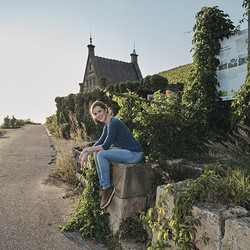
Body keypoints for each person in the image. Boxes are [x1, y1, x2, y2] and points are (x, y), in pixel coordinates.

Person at [79, 101, 143, 209]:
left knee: (101, 154)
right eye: (95, 114)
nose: (98, 115)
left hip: (134, 154)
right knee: (96, 154)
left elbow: (106, 146)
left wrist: (86, 150)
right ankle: (104, 187)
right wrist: (85, 152)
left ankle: (106, 187)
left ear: (106, 109)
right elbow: (98, 143)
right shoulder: (107, 126)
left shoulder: (114, 122)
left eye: (99, 111)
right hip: (126, 152)